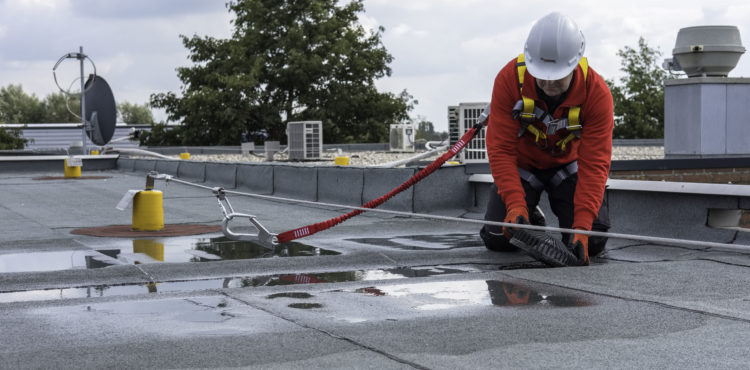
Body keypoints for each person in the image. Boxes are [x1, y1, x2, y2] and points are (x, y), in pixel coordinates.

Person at [480, 12, 613, 266]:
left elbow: (595, 165)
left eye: (557, 77)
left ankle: (575, 228)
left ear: (575, 64)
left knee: (592, 243)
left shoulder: (597, 93)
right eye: (542, 76)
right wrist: (515, 205)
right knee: (500, 238)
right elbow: (500, 150)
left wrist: (583, 227)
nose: (548, 84)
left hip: (567, 169)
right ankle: (529, 214)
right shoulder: (509, 80)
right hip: (523, 168)